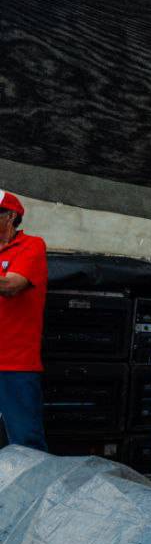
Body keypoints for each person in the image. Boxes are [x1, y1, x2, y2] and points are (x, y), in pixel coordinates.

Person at [0, 190, 48, 451]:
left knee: (24, 444)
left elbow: (11, 286)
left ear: (10, 216)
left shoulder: (32, 245)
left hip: (13, 363)